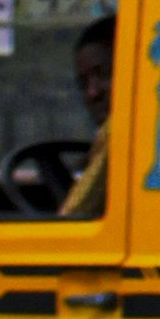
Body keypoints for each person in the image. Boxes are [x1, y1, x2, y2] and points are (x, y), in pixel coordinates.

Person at [59, 14, 118, 219]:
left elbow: (73, 216)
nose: (93, 92)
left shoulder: (118, 132)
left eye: (104, 74)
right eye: (84, 83)